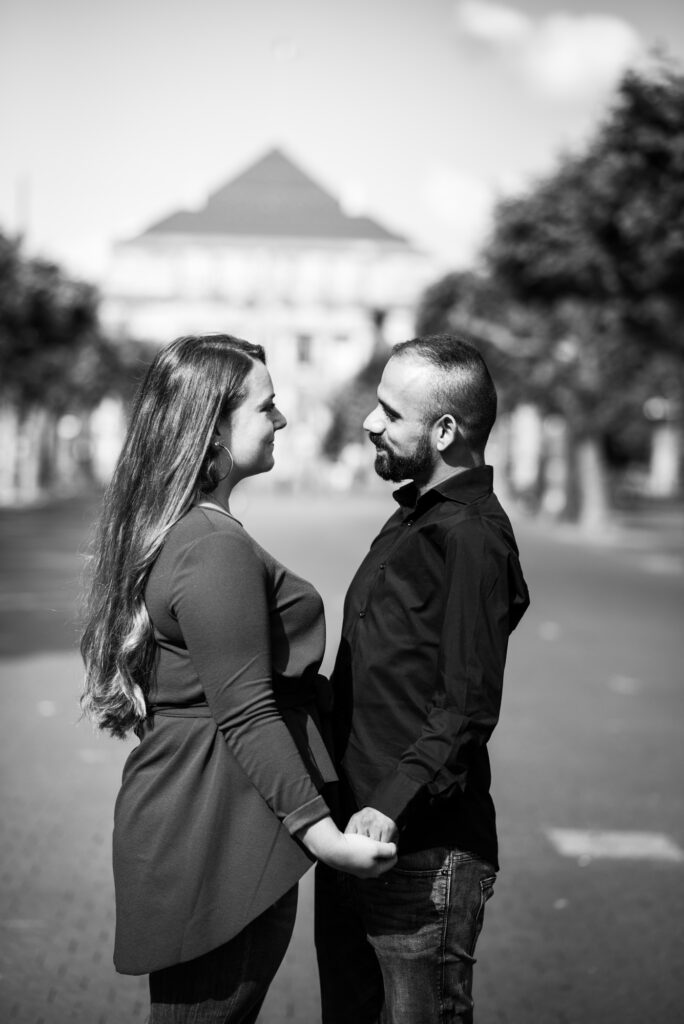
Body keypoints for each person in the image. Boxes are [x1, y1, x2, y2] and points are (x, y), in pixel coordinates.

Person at [80, 333, 396, 1024]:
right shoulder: (214, 548)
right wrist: (324, 836)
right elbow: (247, 712)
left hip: (212, 812)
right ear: (213, 425)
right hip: (221, 827)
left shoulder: (193, 530)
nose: (281, 419)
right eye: (267, 406)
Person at [315, 334, 530, 1023]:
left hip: (420, 852)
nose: (371, 422)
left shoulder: (471, 535)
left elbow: (466, 704)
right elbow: (378, 675)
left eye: (389, 411)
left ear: (444, 430)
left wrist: (388, 805)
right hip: (356, 839)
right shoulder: (413, 516)